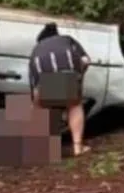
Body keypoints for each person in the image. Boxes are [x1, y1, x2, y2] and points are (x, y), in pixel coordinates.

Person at [29, 23, 92, 156]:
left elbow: (33, 84)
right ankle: (77, 148)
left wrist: (37, 103)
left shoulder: (36, 49)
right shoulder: (67, 40)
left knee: (40, 109)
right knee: (74, 106)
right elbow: (86, 60)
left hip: (44, 80)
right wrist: (79, 78)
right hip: (67, 74)